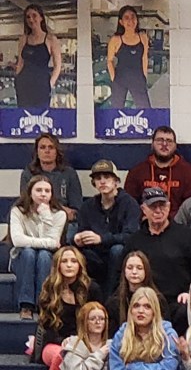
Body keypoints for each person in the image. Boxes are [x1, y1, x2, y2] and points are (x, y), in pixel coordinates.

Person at [126, 186, 191, 332]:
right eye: (153, 206)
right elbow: (123, 274)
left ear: (169, 207)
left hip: (179, 301)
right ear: (143, 209)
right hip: (146, 301)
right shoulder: (134, 241)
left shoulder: (186, 236)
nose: (158, 211)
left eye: (162, 206)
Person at [32, 247, 103, 370]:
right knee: (62, 356)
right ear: (57, 265)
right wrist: (63, 341)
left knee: (76, 354)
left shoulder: (92, 289)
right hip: (54, 342)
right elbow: (46, 326)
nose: (69, 265)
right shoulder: (49, 288)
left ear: (80, 265)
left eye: (73, 261)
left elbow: (98, 319)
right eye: (64, 261)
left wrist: (77, 342)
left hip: (83, 342)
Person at [74, 160, 141, 295]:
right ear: (94, 183)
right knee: (75, 253)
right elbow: (82, 230)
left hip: (120, 254)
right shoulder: (88, 206)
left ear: (116, 181)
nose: (102, 181)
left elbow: (131, 236)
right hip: (95, 254)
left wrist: (101, 239)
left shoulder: (129, 204)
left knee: (117, 250)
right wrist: (78, 238)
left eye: (107, 177)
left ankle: (110, 298)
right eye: (98, 178)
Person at [9, 174, 67, 321]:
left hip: (47, 259)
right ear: (30, 192)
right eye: (39, 190)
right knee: (29, 253)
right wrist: (48, 243)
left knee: (43, 255)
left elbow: (53, 242)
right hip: (21, 258)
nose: (43, 194)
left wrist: (46, 215)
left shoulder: (59, 214)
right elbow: (17, 241)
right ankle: (26, 305)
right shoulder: (18, 211)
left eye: (47, 191)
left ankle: (44, 304)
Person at [124, 127, 191, 219]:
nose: (164, 144)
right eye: (160, 140)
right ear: (152, 144)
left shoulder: (188, 172)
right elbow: (130, 204)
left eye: (169, 141)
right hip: (145, 223)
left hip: (177, 223)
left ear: (175, 145)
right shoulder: (137, 171)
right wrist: (145, 218)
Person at [19, 133, 82, 221]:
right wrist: (53, 210)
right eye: (42, 147)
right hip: (36, 219)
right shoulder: (28, 174)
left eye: (51, 147)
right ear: (37, 152)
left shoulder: (69, 173)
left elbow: (77, 210)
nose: (47, 151)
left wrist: (69, 214)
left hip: (64, 221)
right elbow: (26, 205)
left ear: (57, 151)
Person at [104, 250, 168, 331]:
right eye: (130, 268)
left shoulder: (158, 300)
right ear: (124, 271)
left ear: (146, 271)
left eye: (139, 268)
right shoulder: (114, 303)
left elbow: (166, 328)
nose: (134, 272)